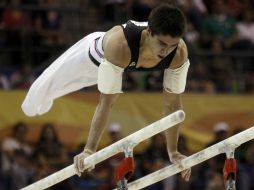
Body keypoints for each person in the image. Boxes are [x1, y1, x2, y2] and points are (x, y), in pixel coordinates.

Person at [21, 4, 191, 181]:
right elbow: (106, 103)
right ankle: (35, 98)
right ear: (148, 32)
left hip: (114, 69)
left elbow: (172, 105)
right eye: (162, 43)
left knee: (46, 96)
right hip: (88, 59)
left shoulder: (179, 53)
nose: (166, 51)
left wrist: (173, 152)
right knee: (40, 94)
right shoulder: (121, 45)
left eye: (172, 45)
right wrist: (89, 150)